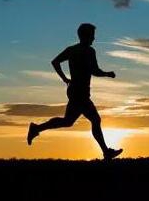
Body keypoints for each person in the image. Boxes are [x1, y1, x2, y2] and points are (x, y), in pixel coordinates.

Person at [27, 23, 123, 160]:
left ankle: (36, 128)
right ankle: (106, 152)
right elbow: (94, 71)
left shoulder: (73, 50)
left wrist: (65, 79)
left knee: (68, 121)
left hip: (76, 91)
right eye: (92, 36)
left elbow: (55, 62)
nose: (94, 39)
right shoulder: (88, 51)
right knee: (95, 119)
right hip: (79, 92)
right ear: (86, 36)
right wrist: (107, 74)